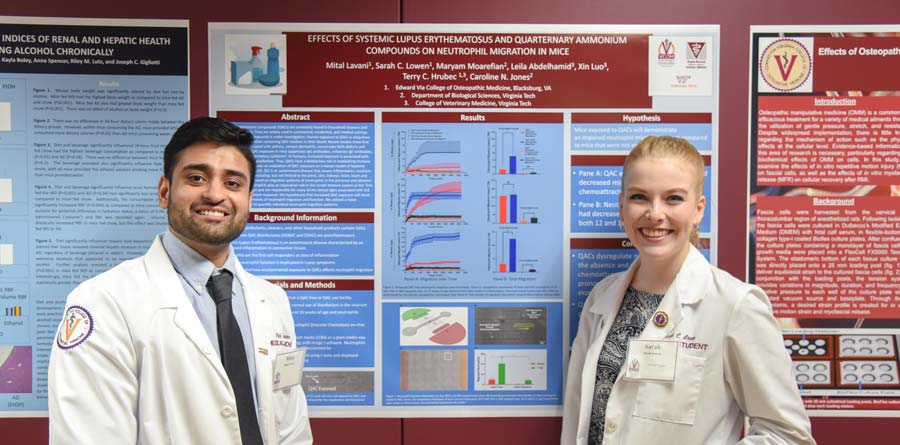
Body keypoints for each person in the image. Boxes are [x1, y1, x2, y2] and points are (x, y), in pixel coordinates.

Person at [49, 117, 313, 444]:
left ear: (249, 200)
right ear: (164, 191)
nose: (215, 194)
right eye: (197, 177)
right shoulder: (104, 302)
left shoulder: (273, 301)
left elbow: (290, 426)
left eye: (233, 183)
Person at [561, 136, 814, 444]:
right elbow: (579, 420)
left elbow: (788, 435)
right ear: (621, 206)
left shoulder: (736, 305)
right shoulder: (601, 297)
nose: (654, 213)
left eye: (673, 198)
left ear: (698, 210)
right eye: (640, 197)